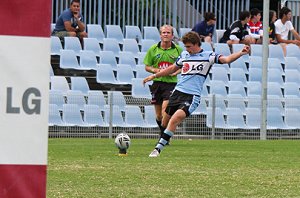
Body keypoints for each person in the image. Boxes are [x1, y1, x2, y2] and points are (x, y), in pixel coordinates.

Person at [143, 31, 250, 157]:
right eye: (185, 47)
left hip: (192, 96)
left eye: (188, 46)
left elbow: (226, 59)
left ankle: (157, 149)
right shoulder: (184, 55)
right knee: (164, 122)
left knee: (175, 119)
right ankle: (166, 138)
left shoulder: (208, 56)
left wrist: (241, 53)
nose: (186, 49)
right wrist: (154, 75)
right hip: (177, 92)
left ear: (196, 44)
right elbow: (172, 68)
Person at [143, 25, 183, 141]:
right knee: (159, 115)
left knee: (165, 109)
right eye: (164, 32)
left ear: (172, 35)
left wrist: (176, 72)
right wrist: (156, 71)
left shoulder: (178, 50)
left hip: (170, 84)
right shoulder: (153, 49)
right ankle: (163, 134)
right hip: (157, 84)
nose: (166, 34)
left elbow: (185, 66)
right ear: (160, 35)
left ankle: (164, 137)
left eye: (168, 32)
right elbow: (147, 67)